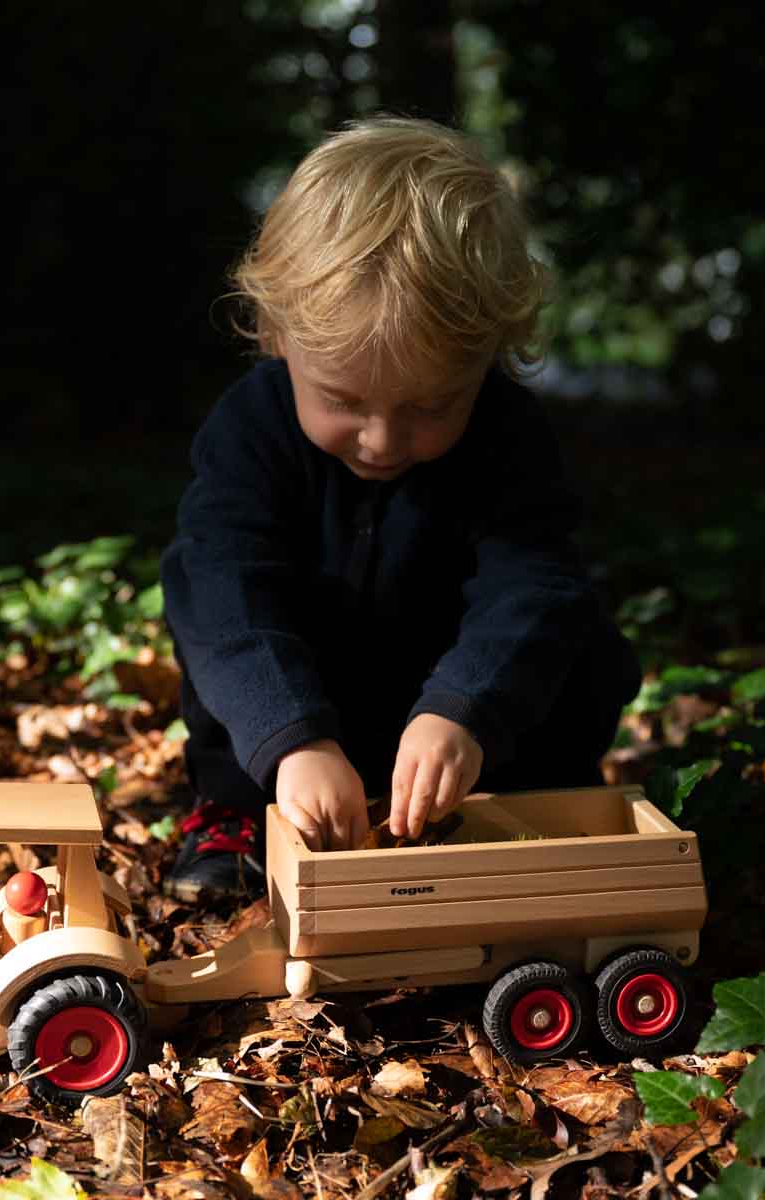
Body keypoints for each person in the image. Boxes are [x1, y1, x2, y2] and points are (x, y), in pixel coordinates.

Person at [159, 117, 641, 902]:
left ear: (488, 358)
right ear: (280, 336)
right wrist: (294, 741)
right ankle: (237, 813)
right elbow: (227, 588)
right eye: (344, 401)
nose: (383, 440)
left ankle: (527, 807)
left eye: (429, 406)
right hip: (310, 704)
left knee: (568, 624)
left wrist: (465, 713)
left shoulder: (508, 436)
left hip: (466, 728)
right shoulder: (252, 429)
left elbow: (531, 586)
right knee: (212, 604)